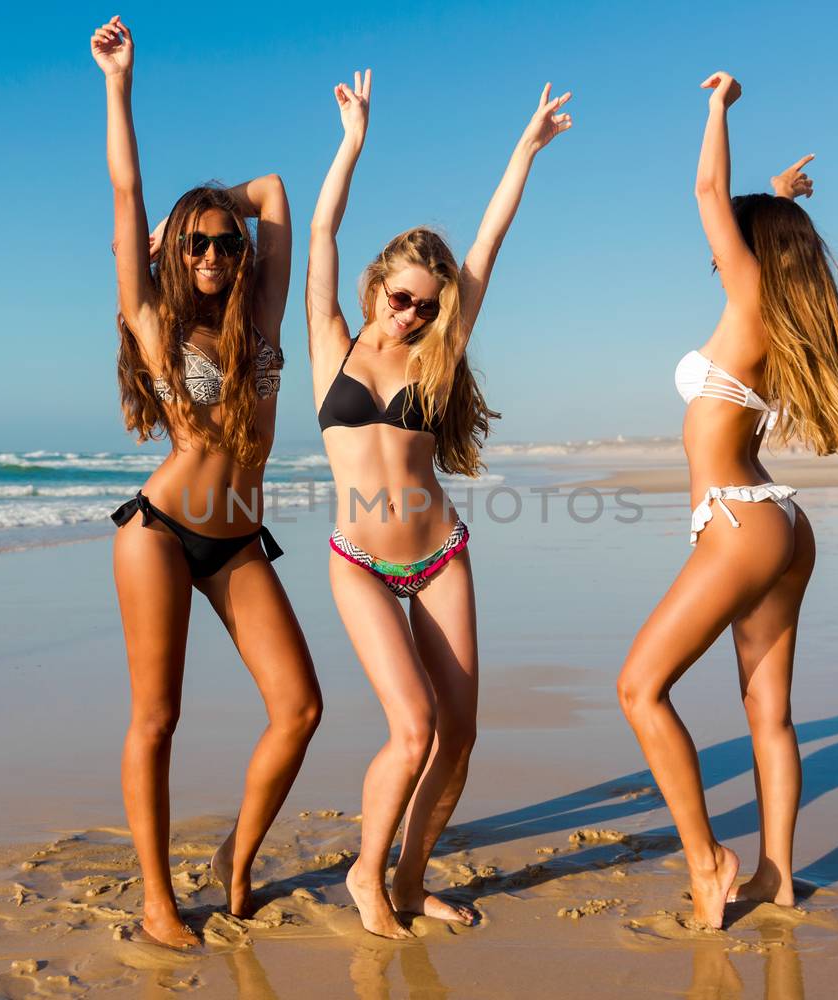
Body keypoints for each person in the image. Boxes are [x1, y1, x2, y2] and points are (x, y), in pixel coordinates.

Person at [306, 68, 573, 938]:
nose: (414, 313)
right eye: (402, 296)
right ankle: (365, 877)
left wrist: (525, 151)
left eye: (427, 303)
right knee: (413, 726)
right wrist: (352, 143)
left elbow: (488, 245)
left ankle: (413, 879)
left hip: (441, 552)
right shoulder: (330, 345)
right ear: (378, 281)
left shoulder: (437, 354)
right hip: (362, 564)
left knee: (459, 732)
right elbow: (320, 229)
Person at [616, 71, 838, 929]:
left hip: (737, 524)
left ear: (753, 251)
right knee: (770, 713)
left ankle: (709, 860)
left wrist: (718, 109)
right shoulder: (783, 314)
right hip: (782, 525)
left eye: (739, 235)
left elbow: (702, 192)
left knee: (640, 688)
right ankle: (779, 876)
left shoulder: (748, 296)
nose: (719, 245)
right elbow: (751, 225)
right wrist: (780, 198)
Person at [92, 15, 322, 948]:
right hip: (159, 530)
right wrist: (119, 84)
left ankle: (235, 858)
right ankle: (155, 899)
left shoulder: (257, 311)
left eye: (227, 243)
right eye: (198, 244)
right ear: (171, 254)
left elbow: (273, 191)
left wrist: (212, 201)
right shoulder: (153, 321)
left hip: (235, 540)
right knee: (158, 717)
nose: (217, 257)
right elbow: (124, 187)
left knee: (299, 707)